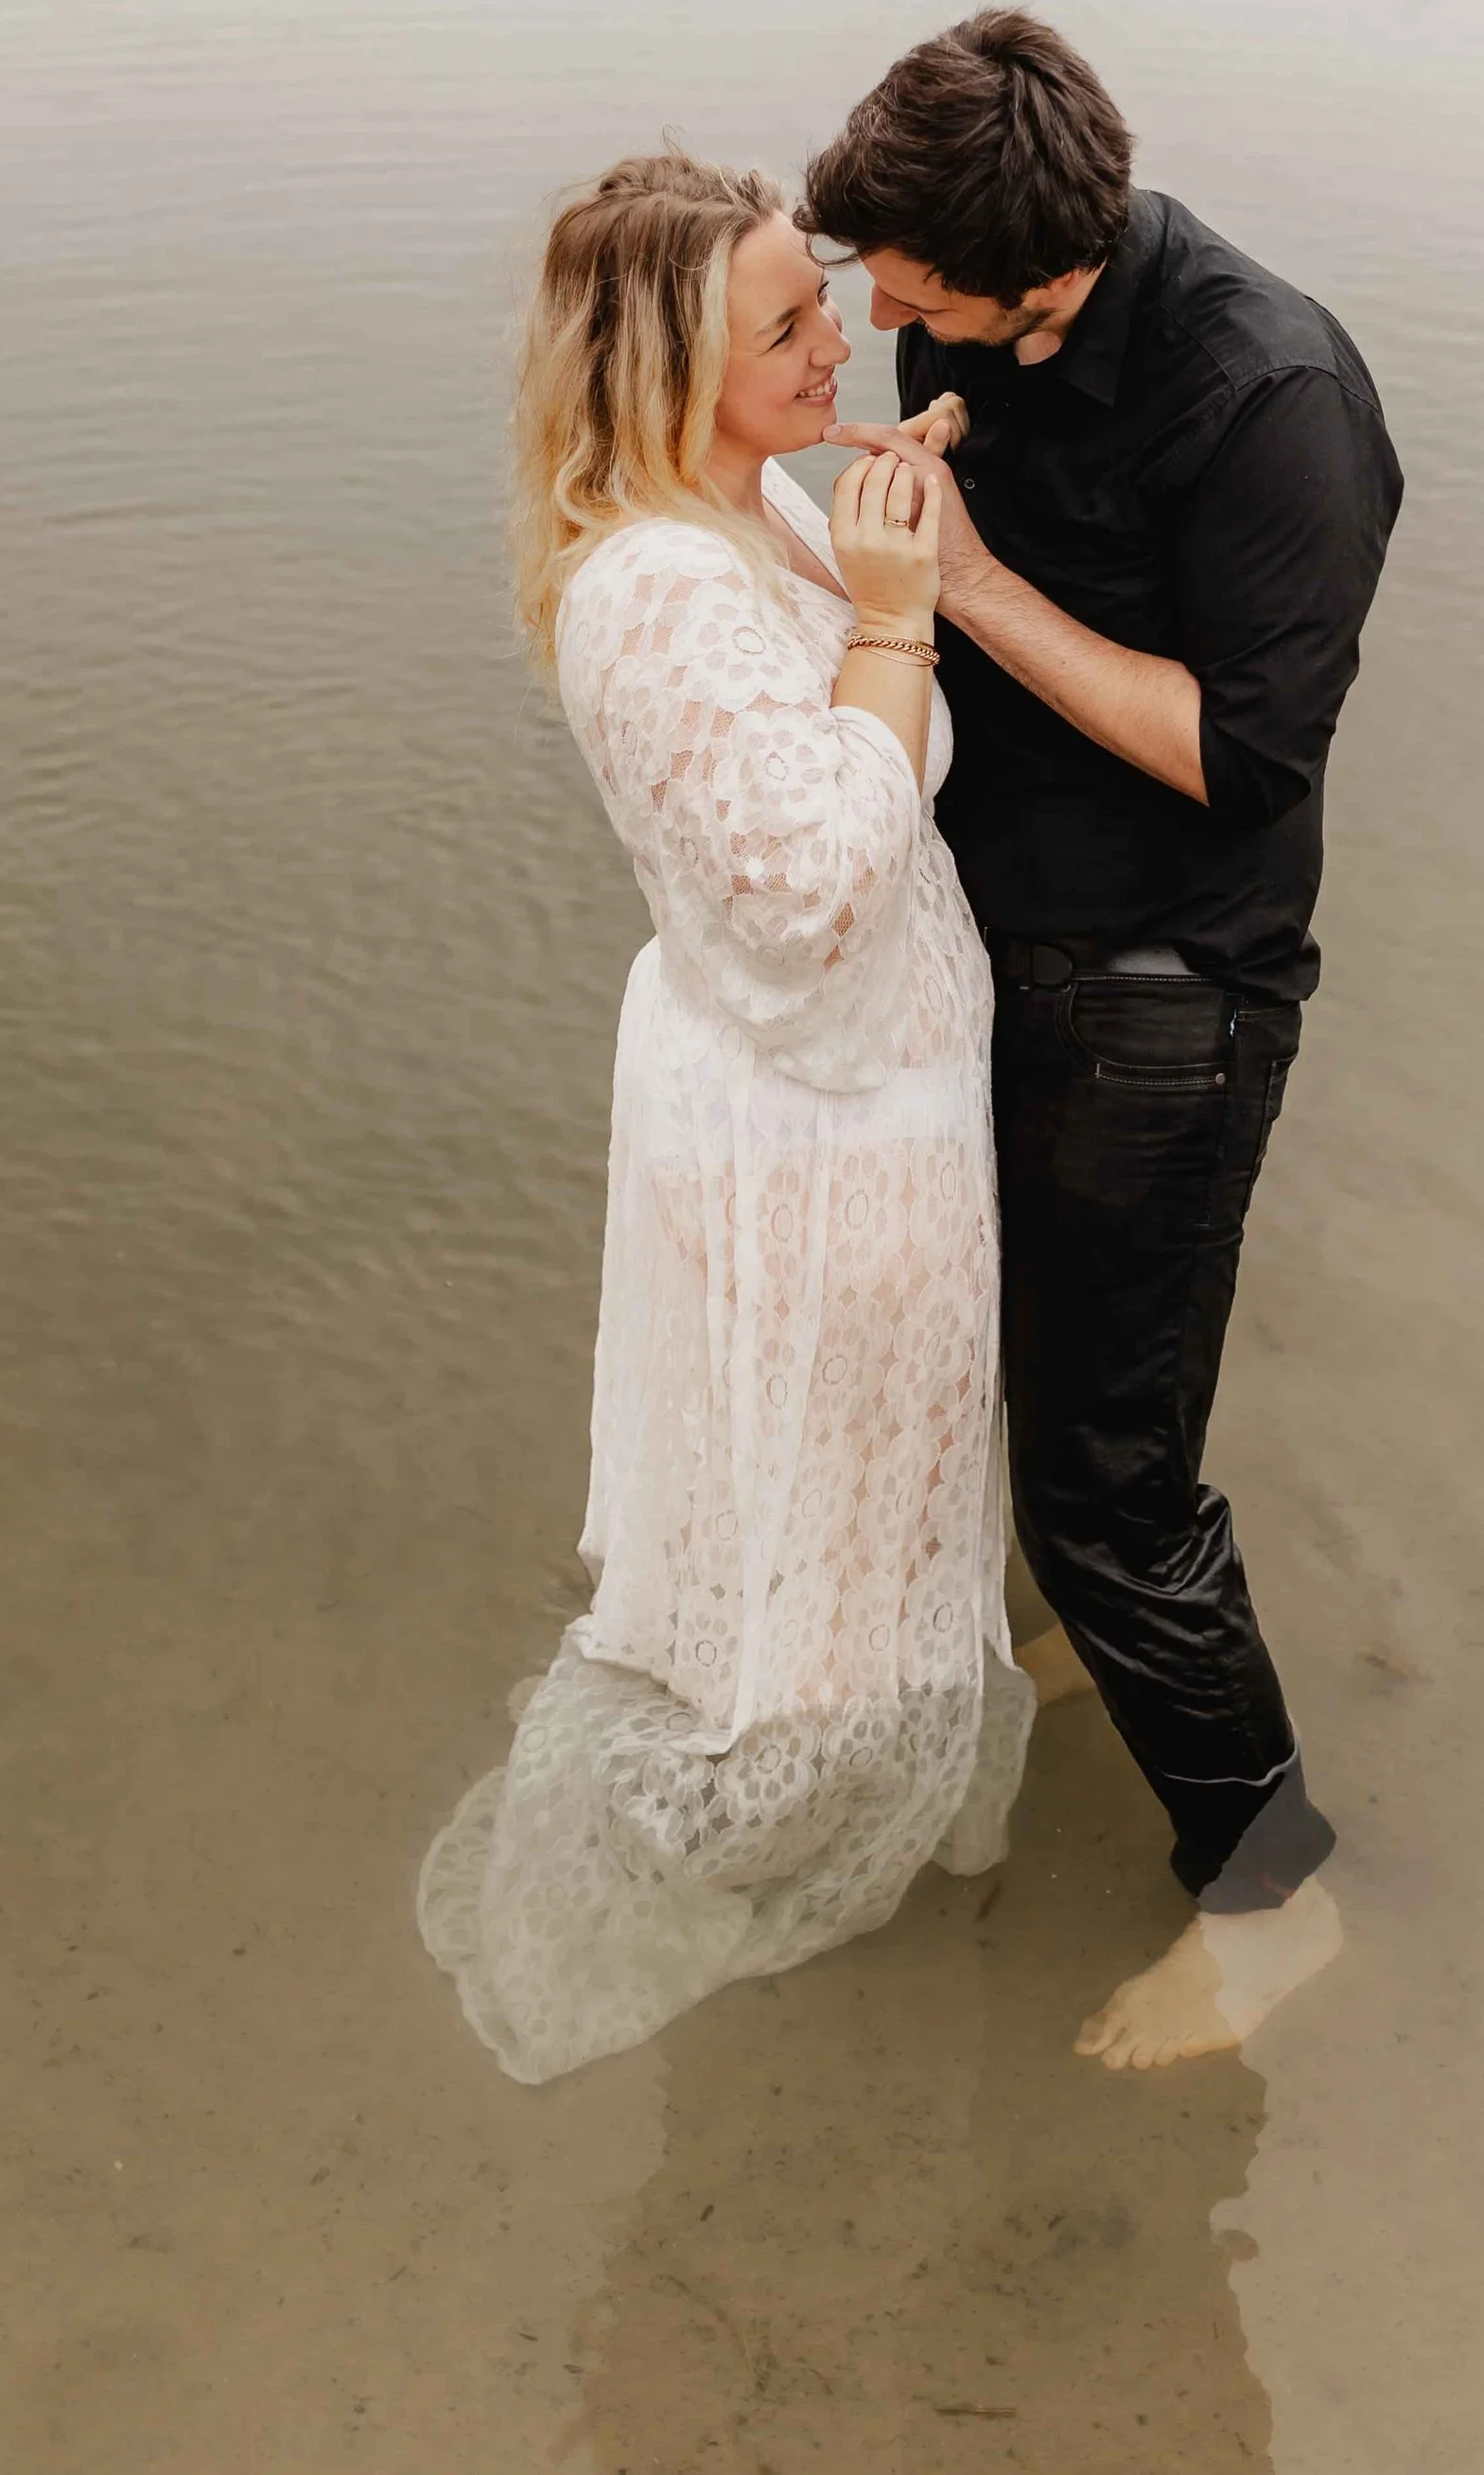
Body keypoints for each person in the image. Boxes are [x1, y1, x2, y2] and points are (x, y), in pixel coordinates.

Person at [804, 9, 1403, 2072]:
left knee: (1109, 1478)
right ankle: (1078, 1647)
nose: (878, 315)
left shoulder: (1272, 396)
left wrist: (964, 583)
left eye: (907, 288)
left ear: (1033, 265)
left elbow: (1242, 757)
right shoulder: (977, 327)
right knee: (1033, 1392)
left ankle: (1272, 1893)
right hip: (996, 953)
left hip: (1168, 1001)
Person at [417, 153, 1032, 2084]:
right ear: (668, 368)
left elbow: (848, 753)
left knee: (850, 1508)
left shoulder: (743, 502)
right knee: (823, 1540)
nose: (839, 336)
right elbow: (813, 890)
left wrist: (873, 545)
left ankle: (841, 1786)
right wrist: (897, 613)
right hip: (814, 1137)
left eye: (817, 299)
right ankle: (758, 1857)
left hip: (856, 1093)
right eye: (785, 323)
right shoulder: (653, 592)